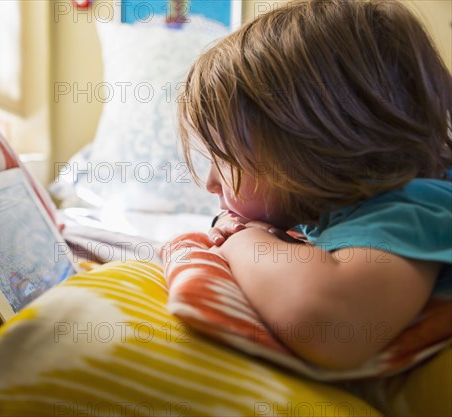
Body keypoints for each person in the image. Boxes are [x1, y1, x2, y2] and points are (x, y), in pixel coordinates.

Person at [178, 0, 451, 370]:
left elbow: (330, 324)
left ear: (311, 144)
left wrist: (245, 239)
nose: (211, 183)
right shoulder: (345, 212)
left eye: (223, 157)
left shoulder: (412, 206)